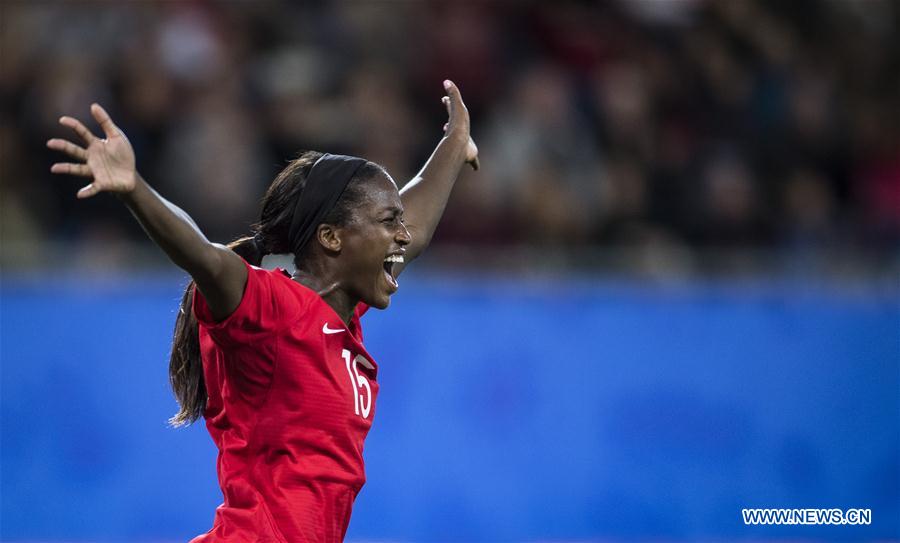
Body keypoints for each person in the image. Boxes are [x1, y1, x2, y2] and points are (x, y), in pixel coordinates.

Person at [47, 80, 479, 542]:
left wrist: (454, 144)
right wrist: (136, 190)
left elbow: (418, 218)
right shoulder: (273, 310)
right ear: (332, 238)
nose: (404, 236)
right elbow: (207, 258)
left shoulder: (338, 316)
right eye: (388, 223)